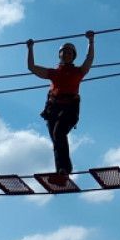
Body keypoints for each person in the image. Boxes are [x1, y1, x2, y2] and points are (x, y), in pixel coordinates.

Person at [26, 31, 95, 181]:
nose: (67, 54)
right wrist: (30, 48)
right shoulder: (53, 73)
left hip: (70, 108)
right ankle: (61, 172)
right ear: (60, 55)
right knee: (56, 140)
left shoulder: (79, 72)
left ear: (73, 56)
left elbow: (89, 59)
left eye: (70, 52)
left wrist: (91, 41)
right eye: (65, 52)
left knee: (58, 134)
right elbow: (31, 67)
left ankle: (64, 169)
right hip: (52, 109)